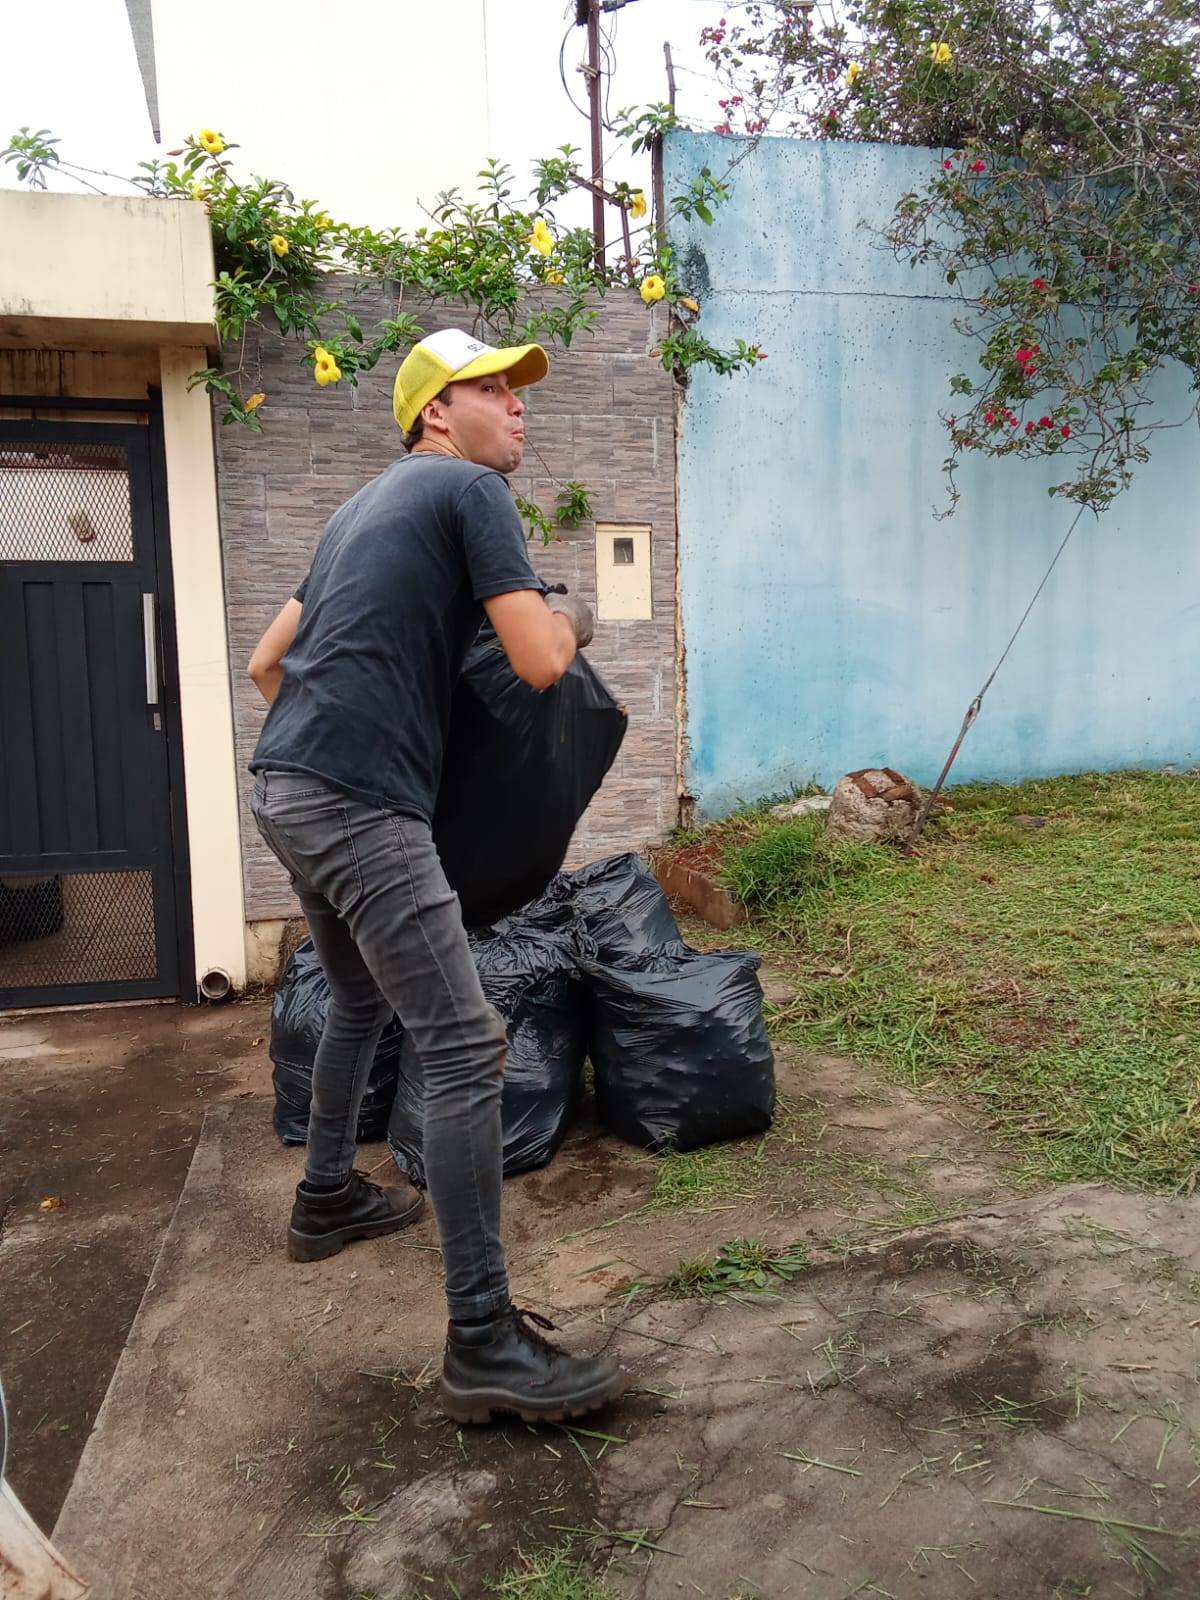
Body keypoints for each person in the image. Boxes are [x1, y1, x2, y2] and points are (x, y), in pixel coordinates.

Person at [247, 329, 625, 1424]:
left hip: (283, 786)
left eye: (517, 391)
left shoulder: (355, 514)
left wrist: (352, 736)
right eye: (493, 388)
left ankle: (326, 1196)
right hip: (354, 802)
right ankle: (484, 1340)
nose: (518, 406)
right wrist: (578, 612)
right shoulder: (466, 490)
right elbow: (541, 659)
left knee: (359, 999)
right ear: (434, 414)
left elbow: (268, 665)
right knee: (463, 1042)